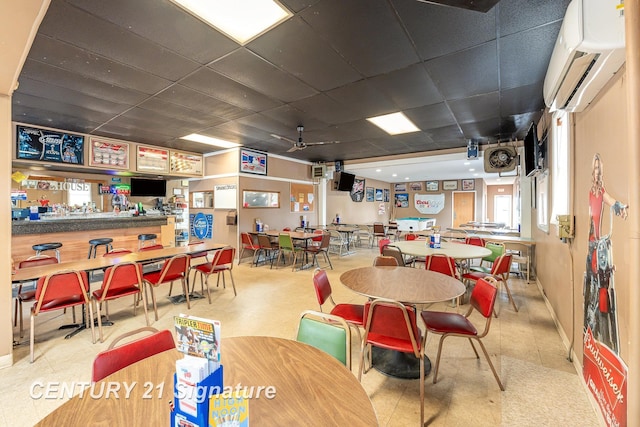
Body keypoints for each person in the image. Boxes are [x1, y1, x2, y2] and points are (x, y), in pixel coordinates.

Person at [583, 153, 628, 354]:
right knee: (591, 285)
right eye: (595, 168)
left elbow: (611, 201)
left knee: (602, 283)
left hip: (600, 245)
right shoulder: (590, 193)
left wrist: (620, 206)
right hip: (591, 243)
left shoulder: (601, 191)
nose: (597, 171)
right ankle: (591, 327)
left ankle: (603, 336)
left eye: (599, 168)